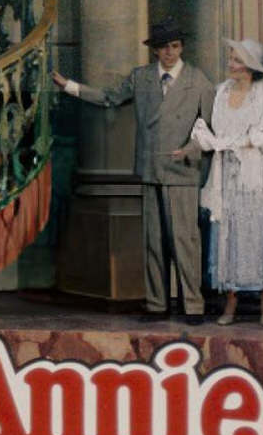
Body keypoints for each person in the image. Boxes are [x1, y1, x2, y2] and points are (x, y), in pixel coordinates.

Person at [53, 16, 214, 323]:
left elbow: (208, 128)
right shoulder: (140, 78)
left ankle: (193, 305)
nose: (170, 52)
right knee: (153, 241)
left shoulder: (198, 81)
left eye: (175, 46)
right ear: (154, 50)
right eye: (164, 47)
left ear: (182, 47)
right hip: (150, 168)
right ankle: (157, 304)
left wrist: (191, 150)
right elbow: (109, 97)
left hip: (183, 172)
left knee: (185, 241)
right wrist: (70, 87)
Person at [195, 37, 263, 328]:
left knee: (259, 232)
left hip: (255, 178)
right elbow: (207, 126)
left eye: (236, 60)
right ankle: (231, 301)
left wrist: (241, 142)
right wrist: (213, 142)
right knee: (228, 233)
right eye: (230, 58)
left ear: (251, 67)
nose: (230, 64)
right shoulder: (219, 92)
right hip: (226, 175)